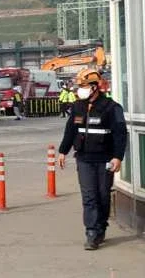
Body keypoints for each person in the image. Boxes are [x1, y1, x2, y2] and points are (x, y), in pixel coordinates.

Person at [58, 67, 128, 250]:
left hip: (105, 158)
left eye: (84, 86)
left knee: (102, 196)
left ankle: (101, 226)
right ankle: (91, 232)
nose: (80, 89)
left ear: (95, 87)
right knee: (89, 196)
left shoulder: (112, 108)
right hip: (84, 158)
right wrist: (62, 151)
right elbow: (70, 130)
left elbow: (121, 135)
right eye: (79, 86)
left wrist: (117, 157)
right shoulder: (78, 107)